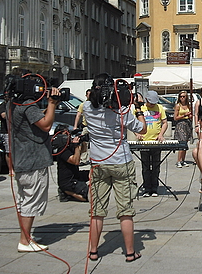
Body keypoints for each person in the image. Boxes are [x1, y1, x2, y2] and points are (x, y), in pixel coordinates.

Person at [84, 73, 147, 262]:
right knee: (125, 209)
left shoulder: (87, 108)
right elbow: (142, 129)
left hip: (98, 163)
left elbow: (94, 102)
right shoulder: (121, 111)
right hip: (121, 162)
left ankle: (94, 251)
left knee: (97, 210)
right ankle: (129, 252)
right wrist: (138, 107)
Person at [10, 84, 61, 252]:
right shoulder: (28, 106)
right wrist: (52, 104)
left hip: (22, 159)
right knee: (31, 201)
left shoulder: (13, 103)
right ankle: (24, 241)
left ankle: (26, 236)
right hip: (33, 160)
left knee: (24, 201)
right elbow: (46, 125)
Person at [136, 90, 168, 197]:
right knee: (145, 166)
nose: (152, 105)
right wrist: (137, 133)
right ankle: (146, 188)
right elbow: (132, 122)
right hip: (144, 142)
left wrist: (161, 134)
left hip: (155, 142)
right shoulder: (140, 109)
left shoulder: (159, 108)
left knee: (155, 166)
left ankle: (154, 188)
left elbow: (164, 123)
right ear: (146, 100)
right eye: (151, 103)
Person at [55, 126, 90, 202]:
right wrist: (76, 146)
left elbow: (82, 151)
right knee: (89, 197)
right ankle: (67, 193)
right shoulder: (62, 149)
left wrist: (81, 141)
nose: (69, 136)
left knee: (94, 173)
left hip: (76, 175)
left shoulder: (69, 146)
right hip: (67, 181)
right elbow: (76, 161)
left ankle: (76, 189)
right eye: (66, 133)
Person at [174, 90, 192, 168]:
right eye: (181, 96)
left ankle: (183, 160)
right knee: (182, 142)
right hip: (180, 124)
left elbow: (191, 115)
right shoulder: (178, 106)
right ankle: (178, 160)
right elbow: (175, 118)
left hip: (187, 124)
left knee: (185, 143)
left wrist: (190, 116)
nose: (182, 98)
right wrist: (184, 115)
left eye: (184, 96)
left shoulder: (188, 105)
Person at [73, 89, 91, 166]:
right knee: (84, 143)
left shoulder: (96, 104)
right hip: (86, 126)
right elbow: (78, 115)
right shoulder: (83, 105)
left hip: (94, 127)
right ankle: (83, 159)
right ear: (86, 95)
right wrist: (75, 126)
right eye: (88, 94)